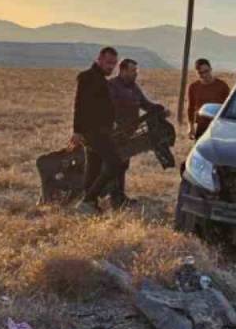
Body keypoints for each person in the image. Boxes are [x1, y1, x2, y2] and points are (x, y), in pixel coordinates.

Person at [70, 46, 126, 212]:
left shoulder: (101, 79)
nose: (111, 67)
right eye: (108, 63)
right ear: (99, 59)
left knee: (94, 167)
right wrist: (77, 131)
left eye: (113, 64)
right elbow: (79, 105)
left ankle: (89, 204)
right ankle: (88, 199)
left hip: (102, 131)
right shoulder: (87, 77)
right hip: (93, 132)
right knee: (116, 163)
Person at [106, 58, 167, 203]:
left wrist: (160, 109)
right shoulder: (112, 86)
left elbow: (145, 104)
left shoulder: (133, 88)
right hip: (113, 134)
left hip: (128, 133)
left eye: (136, 70)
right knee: (113, 165)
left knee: (123, 164)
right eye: (133, 70)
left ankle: (119, 196)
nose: (136, 73)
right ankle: (113, 197)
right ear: (123, 70)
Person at [186, 58, 229, 139]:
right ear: (196, 73)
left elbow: (229, 106)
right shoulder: (193, 87)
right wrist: (190, 127)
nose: (204, 75)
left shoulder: (222, 86)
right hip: (201, 127)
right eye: (200, 73)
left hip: (218, 126)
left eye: (206, 71)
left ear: (211, 69)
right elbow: (191, 108)